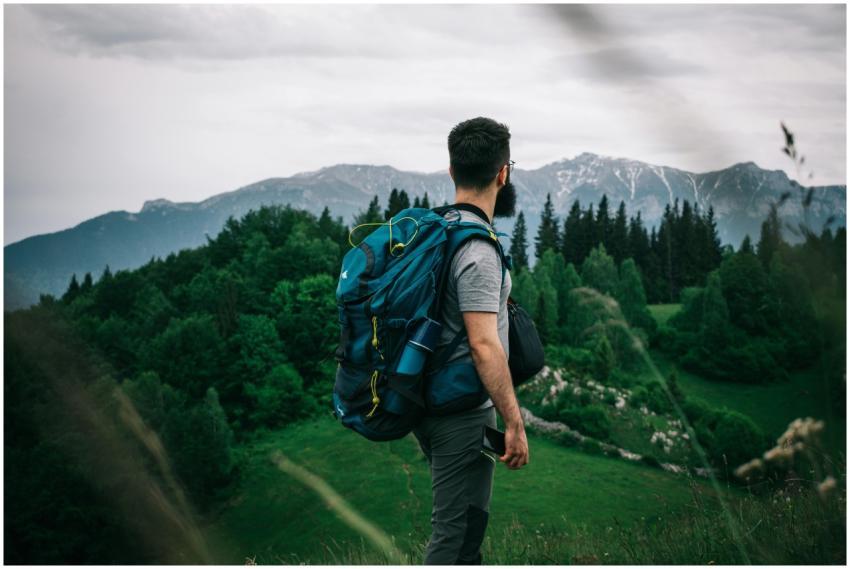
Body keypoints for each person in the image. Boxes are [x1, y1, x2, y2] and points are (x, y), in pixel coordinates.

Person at [412, 117, 530, 565]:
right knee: (456, 537)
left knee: (462, 533)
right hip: (460, 411)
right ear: (503, 173)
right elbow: (484, 346)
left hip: (428, 399)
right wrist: (513, 423)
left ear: (451, 170)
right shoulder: (478, 249)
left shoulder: (437, 230)